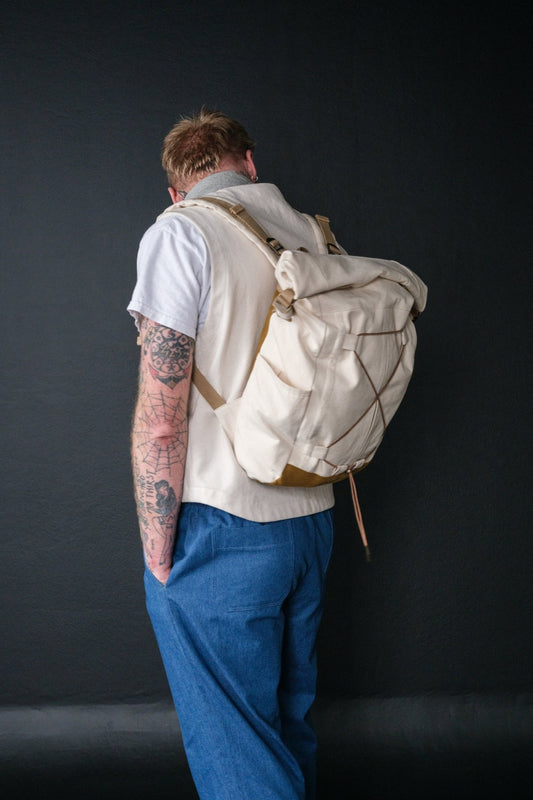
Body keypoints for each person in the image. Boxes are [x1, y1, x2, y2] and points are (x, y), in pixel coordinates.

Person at [128, 108, 335, 800]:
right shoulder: (312, 233)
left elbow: (163, 420)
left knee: (240, 751)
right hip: (312, 512)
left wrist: (159, 547)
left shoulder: (181, 231)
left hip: (222, 523)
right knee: (285, 730)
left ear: (175, 190)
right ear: (248, 163)